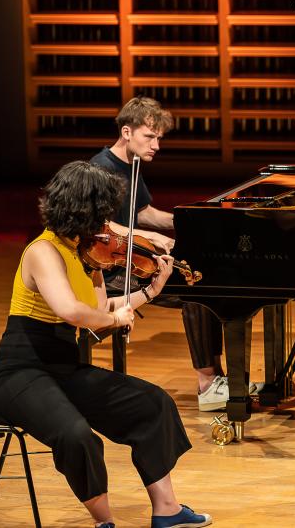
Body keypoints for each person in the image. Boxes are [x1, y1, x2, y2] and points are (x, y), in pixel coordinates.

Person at [0, 161, 212, 528]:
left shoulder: (85, 254)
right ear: (82, 208)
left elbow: (100, 307)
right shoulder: (42, 251)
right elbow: (72, 311)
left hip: (63, 367)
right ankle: (104, 522)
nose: (108, 222)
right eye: (103, 212)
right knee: (77, 435)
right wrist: (113, 320)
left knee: (152, 404)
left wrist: (150, 292)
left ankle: (167, 510)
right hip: (21, 370)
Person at [90, 96, 230, 412]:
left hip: (132, 257)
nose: (156, 145)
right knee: (193, 292)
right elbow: (102, 226)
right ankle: (208, 382)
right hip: (110, 269)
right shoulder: (100, 169)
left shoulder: (132, 165)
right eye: (149, 137)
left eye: (158, 138)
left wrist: (188, 219)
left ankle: (218, 376)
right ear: (127, 132)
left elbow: (142, 212)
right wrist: (150, 236)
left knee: (206, 280)